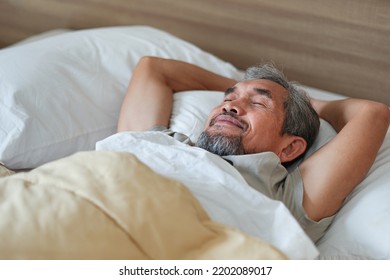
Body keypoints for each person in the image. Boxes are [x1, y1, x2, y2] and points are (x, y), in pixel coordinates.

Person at [117, 56, 390, 242]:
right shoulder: (161, 142)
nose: (229, 106)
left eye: (259, 104)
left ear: (290, 147)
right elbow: (153, 68)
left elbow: (373, 114)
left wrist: (307, 103)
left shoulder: (285, 198)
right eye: (228, 98)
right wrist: (245, 91)